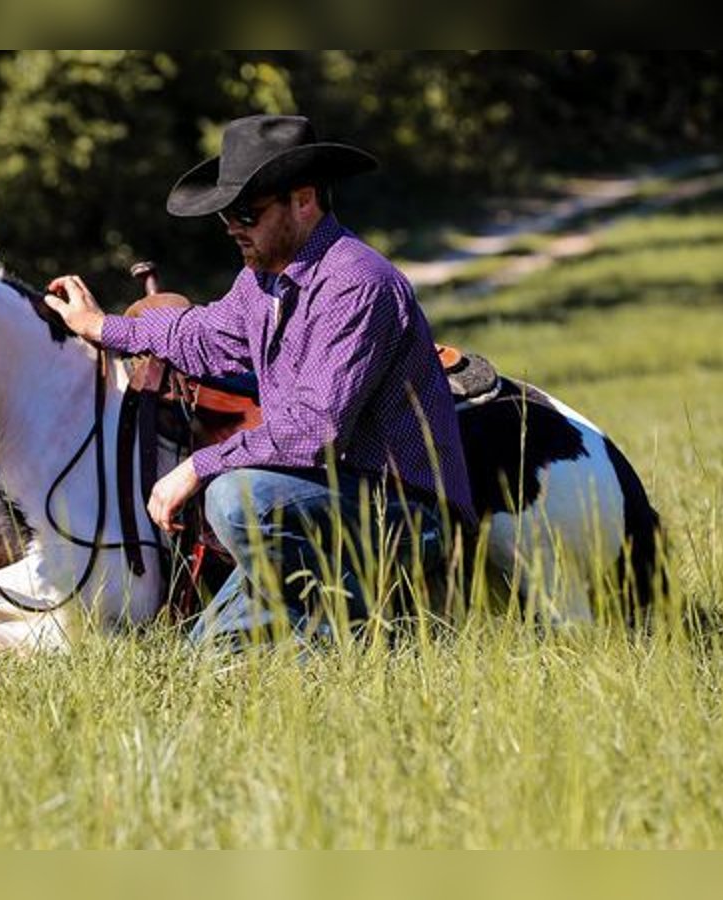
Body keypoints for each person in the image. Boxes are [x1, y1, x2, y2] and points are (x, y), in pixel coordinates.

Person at [44, 114, 474, 644]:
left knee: (234, 499)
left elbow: (314, 428)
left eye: (246, 210)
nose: (231, 225)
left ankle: (377, 633)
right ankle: (324, 630)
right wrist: (101, 326)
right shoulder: (262, 278)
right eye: (226, 212)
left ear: (304, 200)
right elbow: (203, 335)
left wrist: (197, 467)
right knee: (200, 660)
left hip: (405, 510)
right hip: (325, 497)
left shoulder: (355, 284)